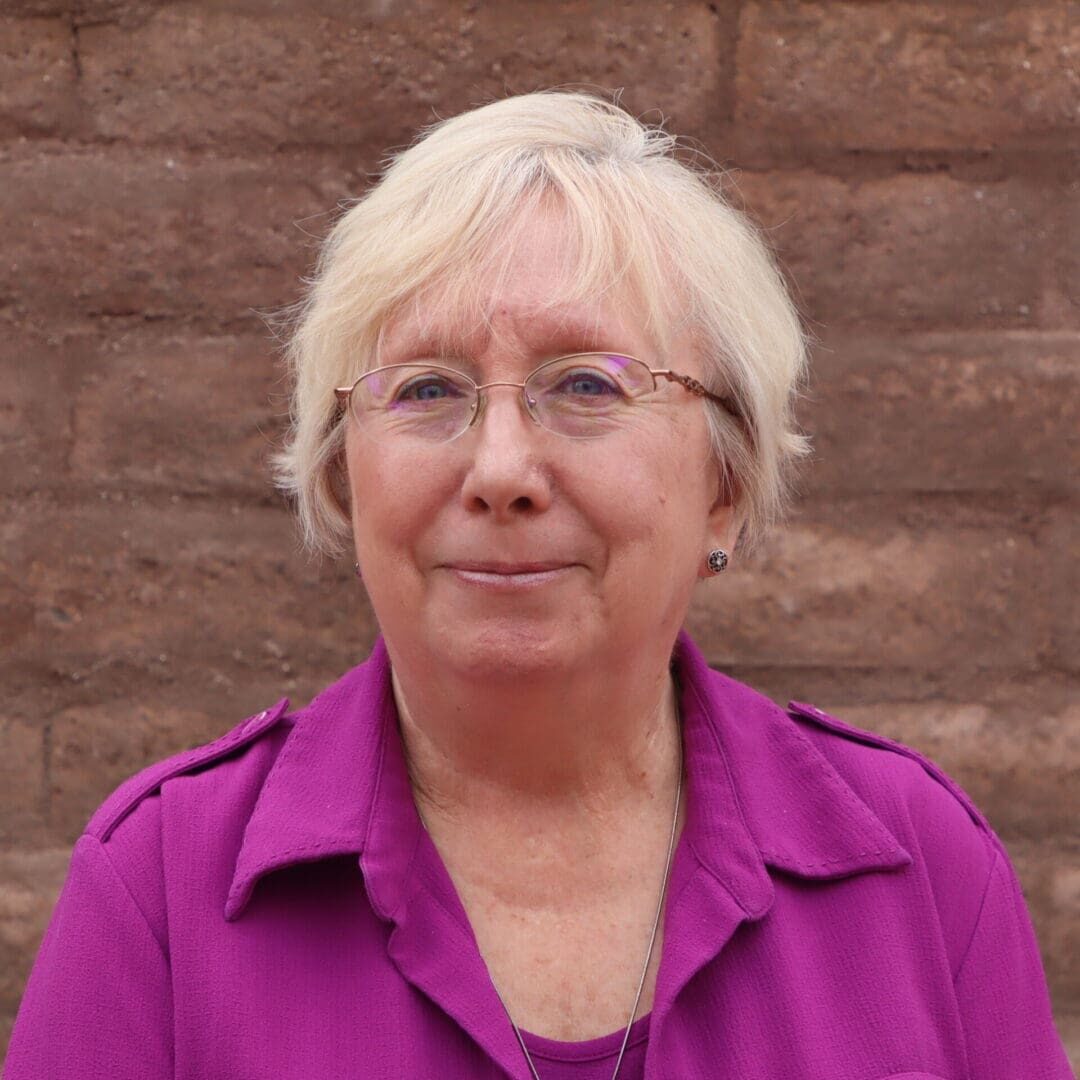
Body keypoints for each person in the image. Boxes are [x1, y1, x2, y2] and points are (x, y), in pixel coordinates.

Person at [5, 92, 1071, 1080]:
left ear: (726, 481)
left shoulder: (919, 873)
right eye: (427, 389)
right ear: (343, 469)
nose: (502, 471)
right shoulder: (161, 887)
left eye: (587, 386)